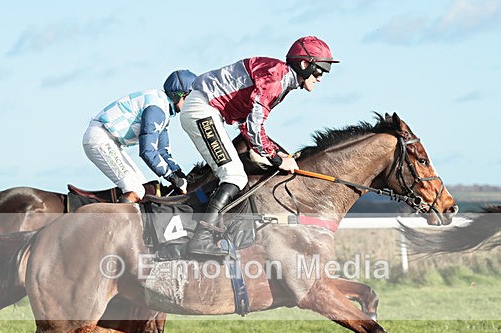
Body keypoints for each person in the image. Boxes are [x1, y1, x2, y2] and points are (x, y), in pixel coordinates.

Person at [180, 36, 339, 256]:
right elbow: (253, 126)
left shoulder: (282, 77)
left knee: (234, 173)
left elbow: (248, 129)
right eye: (320, 71)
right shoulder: (276, 79)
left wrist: (281, 154)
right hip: (203, 110)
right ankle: (201, 238)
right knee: (234, 176)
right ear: (305, 64)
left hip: (206, 110)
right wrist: (276, 158)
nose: (321, 78)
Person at [83, 70, 196, 203]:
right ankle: (112, 223)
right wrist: (171, 177)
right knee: (136, 190)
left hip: (109, 140)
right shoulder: (156, 109)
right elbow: (147, 151)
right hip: (100, 139)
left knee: (144, 189)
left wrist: (178, 173)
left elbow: (162, 150)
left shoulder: (163, 108)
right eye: (191, 98)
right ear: (180, 95)